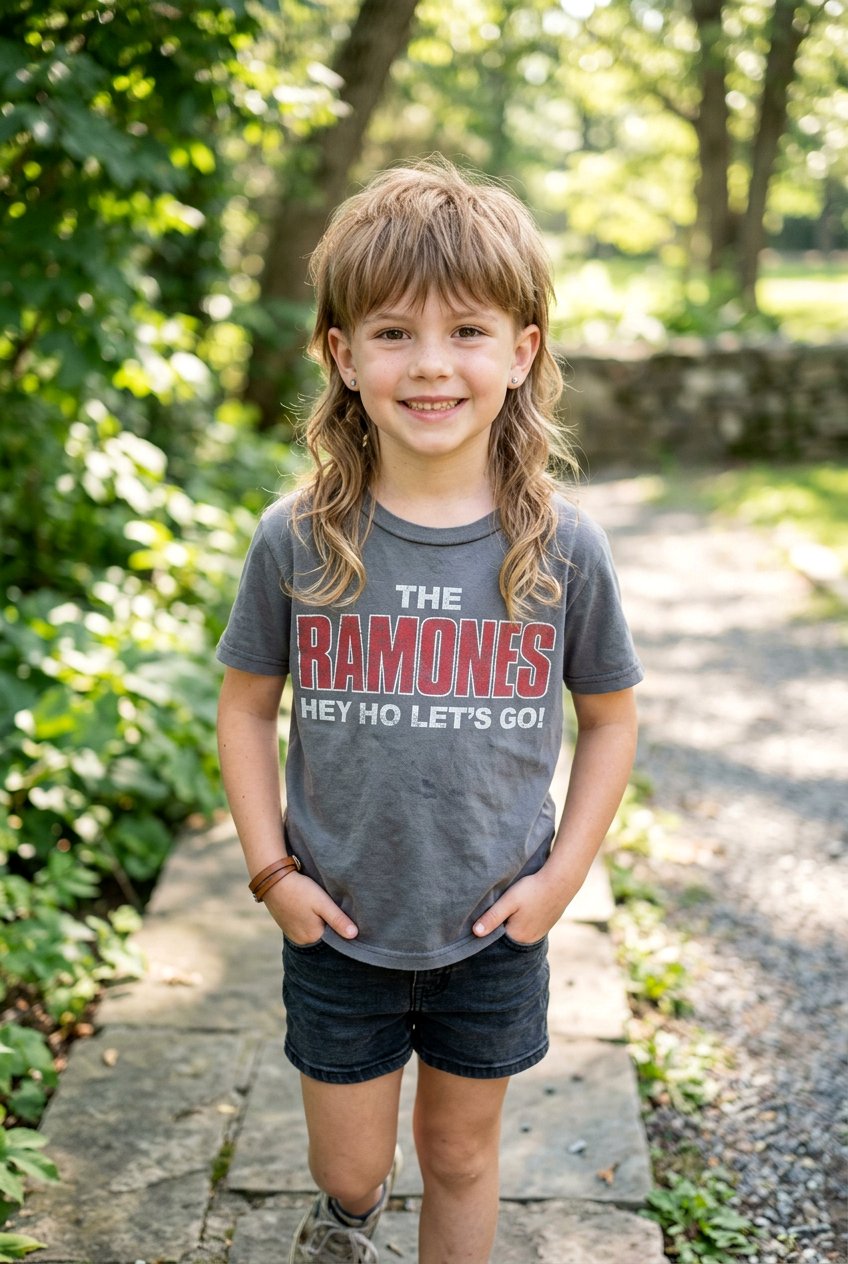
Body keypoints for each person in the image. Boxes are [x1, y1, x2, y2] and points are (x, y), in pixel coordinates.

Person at [216, 157, 642, 1264]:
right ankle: (344, 1222)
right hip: (338, 925)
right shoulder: (297, 538)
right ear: (340, 355)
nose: (432, 362)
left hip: (491, 927)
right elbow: (246, 708)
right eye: (394, 333)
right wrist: (274, 875)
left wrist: (558, 883)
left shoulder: (560, 548)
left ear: (520, 350)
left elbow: (609, 718)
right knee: (349, 1165)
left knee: (458, 1154)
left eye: (466, 330)